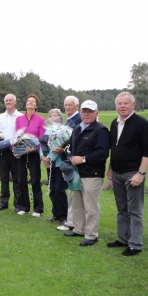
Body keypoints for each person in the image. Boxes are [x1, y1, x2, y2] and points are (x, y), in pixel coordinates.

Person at [106, 92, 148, 256]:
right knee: (122, 208)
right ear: (116, 106)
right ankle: (123, 239)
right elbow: (115, 148)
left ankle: (135, 244)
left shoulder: (142, 123)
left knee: (135, 210)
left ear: (133, 105)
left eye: (126, 103)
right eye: (119, 103)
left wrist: (141, 173)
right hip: (118, 172)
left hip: (133, 173)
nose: (122, 106)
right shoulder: (114, 123)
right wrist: (111, 168)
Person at [63, 100, 110, 246]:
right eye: (84, 111)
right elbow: (72, 148)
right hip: (76, 173)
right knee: (76, 203)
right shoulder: (77, 128)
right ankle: (78, 229)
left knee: (90, 205)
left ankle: (91, 235)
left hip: (92, 173)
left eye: (90, 111)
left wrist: (83, 159)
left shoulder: (101, 130)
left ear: (96, 113)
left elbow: (102, 154)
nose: (86, 114)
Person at [0, 94, 23, 212]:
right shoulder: (0, 117)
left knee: (17, 178)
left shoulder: (20, 116)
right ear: (4, 102)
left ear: (15, 102)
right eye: (6, 100)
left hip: (15, 150)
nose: (8, 102)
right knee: (4, 177)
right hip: (2, 151)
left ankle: (18, 203)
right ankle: (4, 202)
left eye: (10, 100)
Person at [15, 94, 46, 217]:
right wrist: (16, 148)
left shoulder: (40, 120)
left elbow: (42, 138)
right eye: (29, 101)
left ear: (36, 105)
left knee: (35, 180)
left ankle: (38, 208)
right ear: (26, 104)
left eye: (33, 102)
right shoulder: (19, 119)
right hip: (21, 153)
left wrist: (33, 148)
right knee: (21, 179)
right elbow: (16, 136)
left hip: (33, 154)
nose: (30, 103)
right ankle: (24, 206)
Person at [56, 96, 82, 231]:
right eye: (65, 105)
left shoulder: (79, 120)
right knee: (73, 192)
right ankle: (71, 221)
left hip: (76, 161)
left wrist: (63, 148)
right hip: (69, 159)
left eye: (70, 105)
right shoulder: (69, 120)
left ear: (77, 106)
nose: (67, 107)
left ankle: (72, 222)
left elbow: (75, 143)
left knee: (75, 192)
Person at [40, 109, 68, 223]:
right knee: (52, 189)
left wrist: (51, 157)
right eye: (50, 115)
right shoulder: (47, 131)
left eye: (55, 115)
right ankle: (55, 213)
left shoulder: (64, 131)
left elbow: (63, 147)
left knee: (59, 189)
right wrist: (43, 157)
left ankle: (64, 216)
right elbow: (42, 145)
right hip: (50, 165)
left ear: (60, 118)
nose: (52, 117)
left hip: (60, 164)